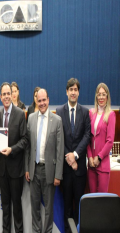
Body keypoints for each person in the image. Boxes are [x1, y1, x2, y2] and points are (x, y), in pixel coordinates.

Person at [25, 89, 64, 233]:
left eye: (44, 100)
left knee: (48, 208)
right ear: (36, 101)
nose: (42, 103)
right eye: (39, 100)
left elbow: (60, 150)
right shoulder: (31, 118)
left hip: (49, 171)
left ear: (48, 100)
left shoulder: (57, 121)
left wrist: (58, 174)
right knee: (34, 206)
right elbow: (28, 146)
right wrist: (27, 169)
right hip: (34, 170)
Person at [56, 78, 91, 233]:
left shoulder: (85, 112)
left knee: (78, 204)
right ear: (66, 92)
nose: (73, 92)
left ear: (78, 92)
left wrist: (75, 155)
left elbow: (87, 135)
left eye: (75, 89)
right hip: (65, 168)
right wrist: (69, 158)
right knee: (66, 206)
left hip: (79, 169)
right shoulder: (59, 111)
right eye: (70, 89)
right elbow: (59, 138)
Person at [0, 82, 28, 233]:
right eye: (4, 94)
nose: (7, 96)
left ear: (12, 95)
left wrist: (11, 149)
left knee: (16, 206)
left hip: (16, 169)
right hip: (2, 170)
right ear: (1, 97)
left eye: (9, 93)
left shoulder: (20, 114)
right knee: (5, 206)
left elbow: (24, 140)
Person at [87, 83, 116, 192]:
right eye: (99, 94)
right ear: (96, 96)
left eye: (103, 94)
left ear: (107, 97)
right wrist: (89, 157)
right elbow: (87, 138)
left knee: (101, 201)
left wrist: (99, 157)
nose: (101, 97)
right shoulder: (91, 113)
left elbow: (110, 141)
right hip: (91, 165)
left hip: (102, 165)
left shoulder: (111, 115)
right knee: (92, 199)